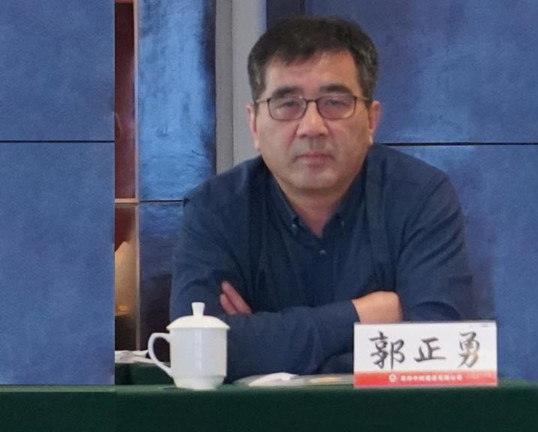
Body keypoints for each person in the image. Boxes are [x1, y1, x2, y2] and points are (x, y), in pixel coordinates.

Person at [171, 15, 477, 382]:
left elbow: (442, 351)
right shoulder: (215, 210)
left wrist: (264, 350)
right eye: (288, 104)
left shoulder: (421, 198)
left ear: (371, 120)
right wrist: (362, 316)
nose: (312, 127)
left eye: (334, 102)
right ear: (254, 124)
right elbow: (196, 353)